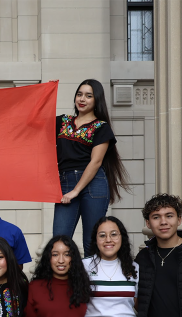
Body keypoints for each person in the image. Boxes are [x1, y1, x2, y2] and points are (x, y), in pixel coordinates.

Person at [52, 78, 129, 257]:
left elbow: (95, 162)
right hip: (65, 182)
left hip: (93, 184)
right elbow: (36, 121)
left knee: (92, 242)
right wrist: (46, 91)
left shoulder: (101, 128)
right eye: (79, 94)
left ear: (96, 101)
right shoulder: (62, 122)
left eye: (88, 96)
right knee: (59, 241)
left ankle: (91, 285)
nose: (82, 99)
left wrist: (76, 191)